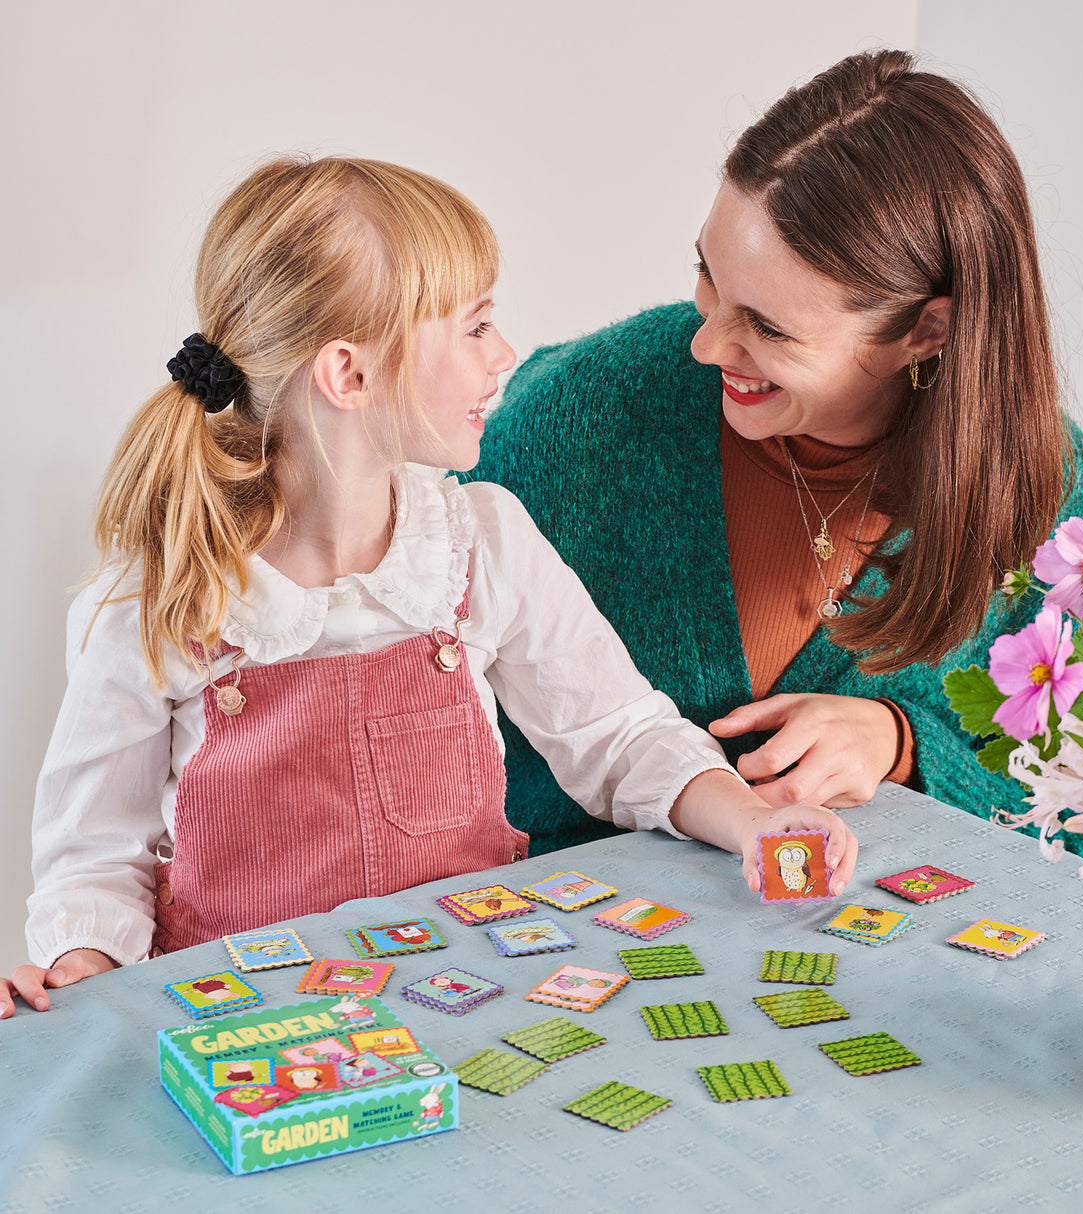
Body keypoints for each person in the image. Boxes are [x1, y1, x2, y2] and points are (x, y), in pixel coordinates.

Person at [2, 157, 858, 1018]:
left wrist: (751, 822)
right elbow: (95, 857)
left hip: (474, 1001)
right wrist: (78, 972)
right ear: (351, 375)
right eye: (475, 327)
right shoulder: (160, 599)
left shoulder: (479, 544)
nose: (507, 355)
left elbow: (619, 737)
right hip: (247, 1028)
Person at [470, 49, 1083, 859]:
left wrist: (903, 743)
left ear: (928, 331)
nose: (707, 345)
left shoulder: (1045, 494)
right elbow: (407, 685)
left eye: (768, 328)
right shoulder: (583, 415)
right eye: (708, 276)